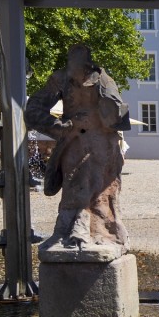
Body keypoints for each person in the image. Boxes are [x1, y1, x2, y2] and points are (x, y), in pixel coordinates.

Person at [25, 44, 132, 250]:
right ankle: (72, 231)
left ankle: (100, 232)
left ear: (89, 65)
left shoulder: (104, 80)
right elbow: (33, 110)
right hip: (74, 142)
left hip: (102, 145)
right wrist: (62, 126)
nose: (77, 74)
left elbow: (118, 116)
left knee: (100, 192)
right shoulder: (60, 79)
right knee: (74, 185)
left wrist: (107, 113)